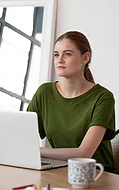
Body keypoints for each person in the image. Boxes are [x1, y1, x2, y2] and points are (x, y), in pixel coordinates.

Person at [27, 31, 116, 172]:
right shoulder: (44, 92)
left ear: (85, 57)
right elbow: (24, 136)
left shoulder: (103, 98)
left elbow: (83, 153)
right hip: (60, 171)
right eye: (56, 54)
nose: (59, 60)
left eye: (67, 54)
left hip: (97, 175)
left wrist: (36, 152)